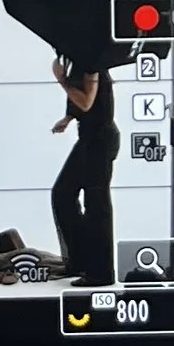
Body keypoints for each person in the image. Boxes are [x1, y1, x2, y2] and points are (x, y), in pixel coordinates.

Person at [49, 54, 118, 287]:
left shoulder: (90, 62)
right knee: (63, 193)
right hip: (90, 137)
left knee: (96, 205)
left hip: (99, 140)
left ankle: (101, 273)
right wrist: (69, 118)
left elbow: (87, 101)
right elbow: (89, 103)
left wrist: (62, 81)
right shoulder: (79, 60)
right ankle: (81, 261)